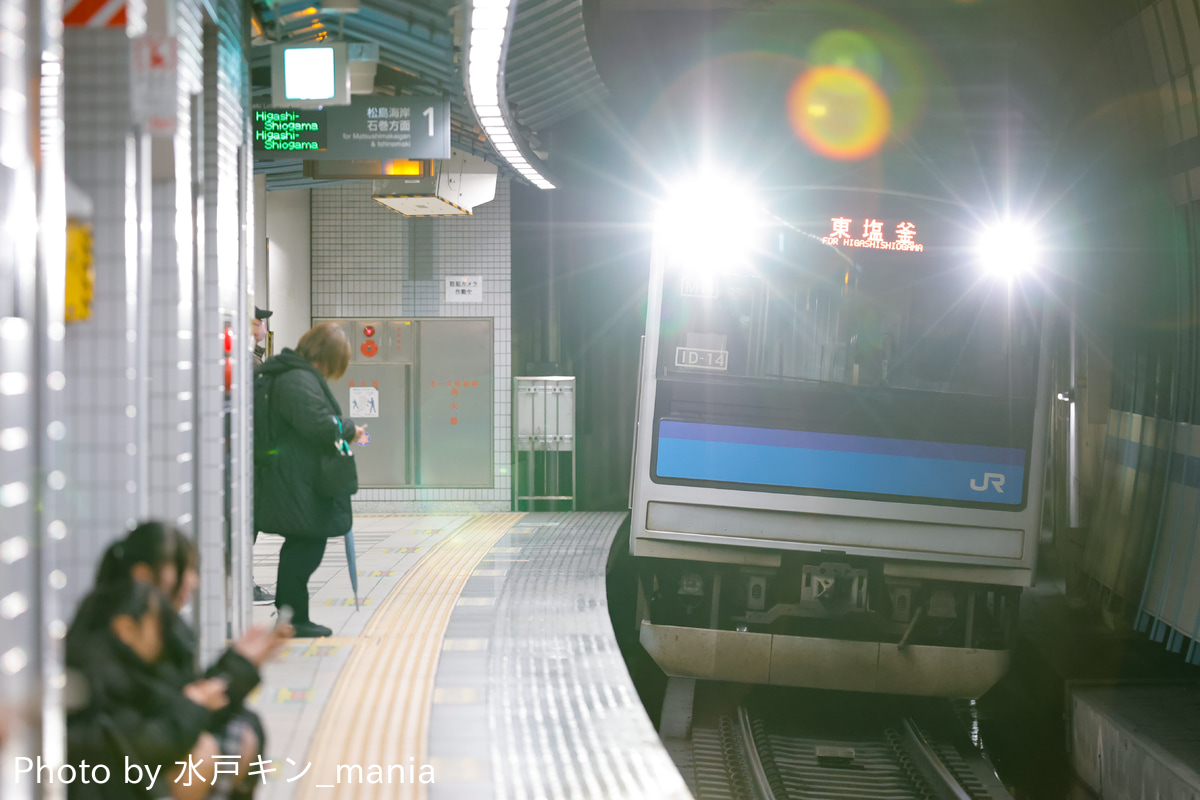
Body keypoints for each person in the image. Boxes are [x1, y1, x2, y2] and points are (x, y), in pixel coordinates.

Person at [68, 522, 288, 798]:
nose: (192, 581)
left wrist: (241, 663)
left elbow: (182, 701)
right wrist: (200, 699)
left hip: (137, 769)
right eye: (183, 567)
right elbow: (145, 740)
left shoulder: (153, 629)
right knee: (208, 752)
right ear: (143, 576)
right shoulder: (105, 644)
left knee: (241, 730)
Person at [65, 579, 225, 800]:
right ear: (127, 629)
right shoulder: (101, 683)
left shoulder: (106, 665)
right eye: (158, 624)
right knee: (202, 755)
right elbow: (149, 745)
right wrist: (194, 705)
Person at [255, 322, 365, 638]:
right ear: (328, 357)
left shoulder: (296, 375)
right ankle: (292, 619)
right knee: (305, 544)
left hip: (298, 475)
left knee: (303, 544)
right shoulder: (296, 379)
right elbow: (316, 423)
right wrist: (348, 429)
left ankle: (293, 617)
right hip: (296, 479)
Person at [252, 306, 275, 605]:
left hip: (252, 458)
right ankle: (245, 585)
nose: (264, 325)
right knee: (246, 525)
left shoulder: (254, 357)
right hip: (250, 459)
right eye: (259, 320)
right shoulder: (249, 362)